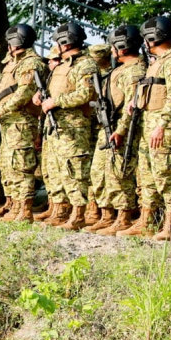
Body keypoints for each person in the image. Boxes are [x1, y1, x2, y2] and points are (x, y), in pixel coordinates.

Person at [34, 22, 97, 230]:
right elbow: (53, 92)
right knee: (54, 169)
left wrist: (56, 101)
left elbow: (85, 94)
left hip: (73, 128)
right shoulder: (62, 65)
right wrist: (41, 97)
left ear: (65, 42)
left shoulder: (85, 65)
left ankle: (78, 214)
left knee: (74, 170)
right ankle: (59, 210)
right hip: (55, 127)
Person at [0, 24, 45, 223]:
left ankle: (24, 210)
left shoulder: (31, 63)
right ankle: (14, 205)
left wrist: (2, 109)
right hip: (9, 122)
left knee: (21, 165)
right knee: (8, 165)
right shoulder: (12, 63)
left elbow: (24, 93)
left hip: (21, 121)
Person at [122, 17, 171, 240]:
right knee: (146, 175)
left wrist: (162, 125)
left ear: (153, 37)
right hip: (148, 123)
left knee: (166, 175)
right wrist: (135, 101)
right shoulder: (157, 61)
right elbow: (154, 88)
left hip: (163, 126)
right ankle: (147, 222)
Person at [86, 27, 144, 235]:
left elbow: (133, 104)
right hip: (108, 127)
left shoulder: (135, 71)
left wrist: (120, 130)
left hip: (122, 129)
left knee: (119, 174)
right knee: (99, 173)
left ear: (122, 46)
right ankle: (107, 214)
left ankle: (123, 217)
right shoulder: (120, 70)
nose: (111, 50)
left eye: (113, 46)